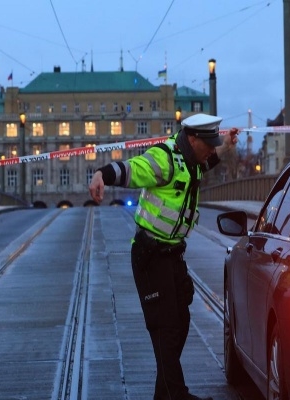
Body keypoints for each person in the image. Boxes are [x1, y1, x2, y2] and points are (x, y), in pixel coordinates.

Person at [89, 113, 238, 400]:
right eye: (207, 143)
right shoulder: (164, 158)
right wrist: (101, 174)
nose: (210, 148)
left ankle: (164, 395)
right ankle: (177, 395)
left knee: (179, 323)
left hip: (172, 254)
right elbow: (131, 169)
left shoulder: (191, 160)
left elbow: (208, 161)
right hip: (150, 255)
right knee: (165, 328)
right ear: (192, 139)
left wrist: (226, 145)